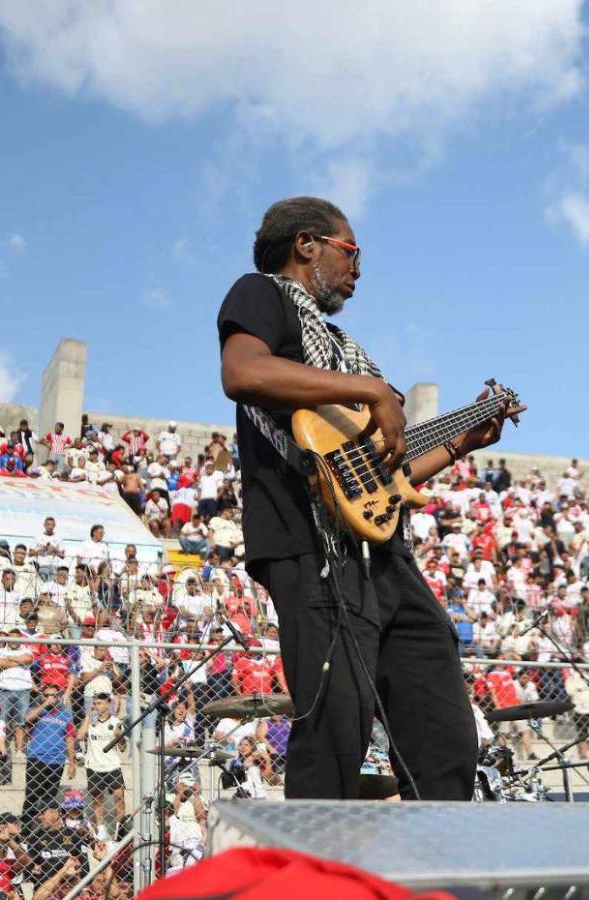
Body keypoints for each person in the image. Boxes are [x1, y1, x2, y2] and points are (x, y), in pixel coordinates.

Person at [217, 196, 517, 799]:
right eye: (350, 252)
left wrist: (460, 442)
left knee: (444, 729)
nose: (358, 269)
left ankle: (437, 874)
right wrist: (372, 390)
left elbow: (387, 472)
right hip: (312, 546)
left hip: (381, 554)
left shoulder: (340, 347)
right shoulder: (261, 293)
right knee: (336, 732)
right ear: (307, 245)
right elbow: (242, 373)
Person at [23, 687, 76, 824]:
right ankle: (26, 830)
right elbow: (27, 719)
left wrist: (72, 763)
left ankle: (45, 830)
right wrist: (45, 704)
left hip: (56, 761)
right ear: (42, 697)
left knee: (49, 799)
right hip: (37, 758)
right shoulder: (36, 711)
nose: (51, 698)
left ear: (59, 697)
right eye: (47, 695)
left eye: (54, 695)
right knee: (32, 796)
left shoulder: (65, 715)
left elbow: (70, 739)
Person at [79, 692, 126, 841]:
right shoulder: (91, 722)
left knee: (119, 796)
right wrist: (88, 716)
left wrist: (120, 737)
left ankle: (120, 828)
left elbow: (123, 748)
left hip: (112, 765)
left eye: (99, 703)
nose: (96, 706)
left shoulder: (116, 722)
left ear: (108, 704)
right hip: (94, 765)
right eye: (95, 703)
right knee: (97, 799)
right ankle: (101, 828)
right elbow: (80, 736)